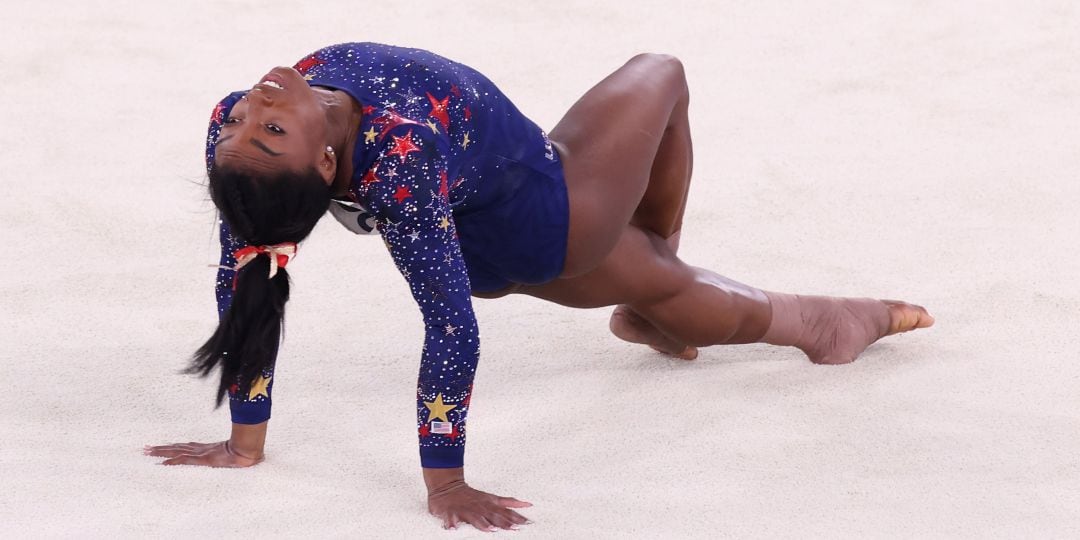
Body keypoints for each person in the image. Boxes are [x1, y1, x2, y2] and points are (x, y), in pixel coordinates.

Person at [145, 42, 934, 532]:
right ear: (322, 166)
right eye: (269, 129)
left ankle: (798, 319)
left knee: (661, 283)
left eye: (246, 125)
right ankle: (670, 274)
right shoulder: (402, 157)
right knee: (661, 73)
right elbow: (450, 330)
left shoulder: (233, 128)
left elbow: (248, 277)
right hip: (553, 217)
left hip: (488, 224)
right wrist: (446, 482)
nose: (252, 111)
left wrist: (243, 445)